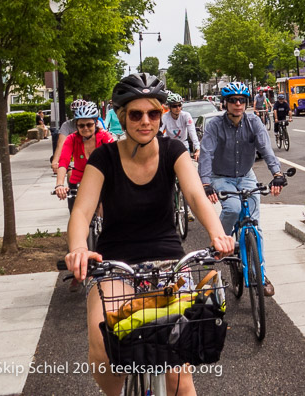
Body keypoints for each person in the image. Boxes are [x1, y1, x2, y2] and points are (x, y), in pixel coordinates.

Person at [63, 73, 234, 396]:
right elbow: (83, 211)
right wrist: (77, 249)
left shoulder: (173, 151)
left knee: (179, 376)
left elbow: (196, 196)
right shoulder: (104, 158)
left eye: (153, 114)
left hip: (169, 261)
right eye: (136, 114)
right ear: (120, 116)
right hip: (115, 264)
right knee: (104, 348)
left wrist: (217, 233)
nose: (146, 121)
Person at [199, 81, 286, 297]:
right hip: (221, 177)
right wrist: (205, 183)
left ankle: (260, 274)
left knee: (254, 227)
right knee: (232, 209)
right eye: (233, 100)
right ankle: (220, 243)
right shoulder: (214, 125)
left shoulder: (253, 121)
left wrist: (277, 174)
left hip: (246, 176)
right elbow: (207, 154)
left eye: (241, 100)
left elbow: (266, 149)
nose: (238, 104)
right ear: (225, 103)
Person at [54, 102, 114, 212]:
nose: (85, 128)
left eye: (89, 125)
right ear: (76, 125)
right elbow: (63, 162)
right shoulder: (71, 139)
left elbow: (116, 159)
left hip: (103, 178)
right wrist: (59, 185)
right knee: (77, 213)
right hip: (79, 180)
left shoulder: (105, 137)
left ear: (96, 123)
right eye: (81, 125)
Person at [51, 99, 89, 172]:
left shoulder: (96, 124)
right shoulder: (67, 125)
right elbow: (61, 144)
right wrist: (55, 162)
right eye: (75, 112)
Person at [161, 91, 200, 161]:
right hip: (170, 146)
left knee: (187, 168)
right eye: (174, 106)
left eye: (179, 105)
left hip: (183, 145)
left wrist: (197, 148)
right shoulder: (165, 117)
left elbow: (192, 132)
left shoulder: (186, 116)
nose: (178, 108)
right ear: (169, 107)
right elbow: (160, 132)